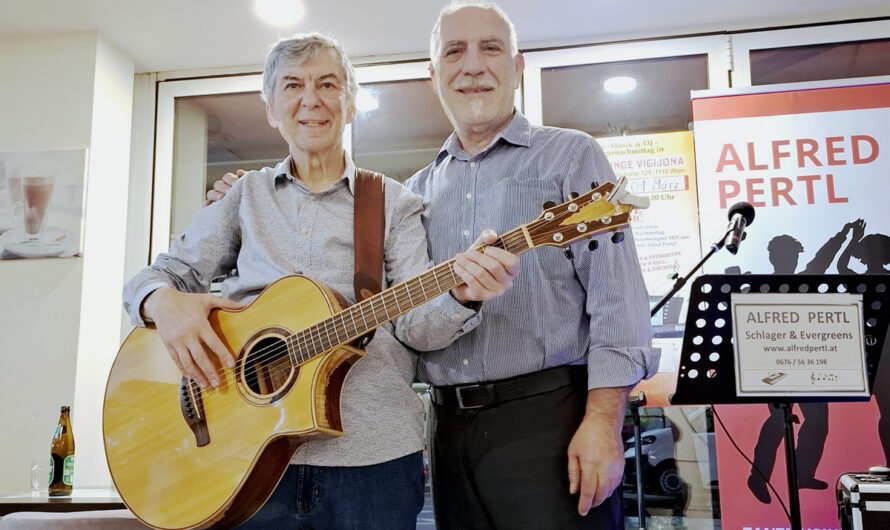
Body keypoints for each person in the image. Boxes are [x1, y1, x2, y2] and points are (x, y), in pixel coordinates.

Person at [208, 3, 658, 527]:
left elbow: (619, 304)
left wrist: (603, 421)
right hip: (446, 427)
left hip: (549, 421)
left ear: (517, 66)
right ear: (434, 75)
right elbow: (412, 327)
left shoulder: (570, 157)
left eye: (490, 48)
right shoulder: (414, 194)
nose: (472, 66)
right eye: (454, 51)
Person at [124, 32, 518, 530]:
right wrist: (162, 301)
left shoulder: (392, 202)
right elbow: (157, 276)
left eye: (328, 84)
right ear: (271, 108)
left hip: (373, 461)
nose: (311, 100)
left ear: (350, 104)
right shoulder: (242, 196)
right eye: (293, 86)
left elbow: (418, 328)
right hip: (243, 461)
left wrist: (461, 296)